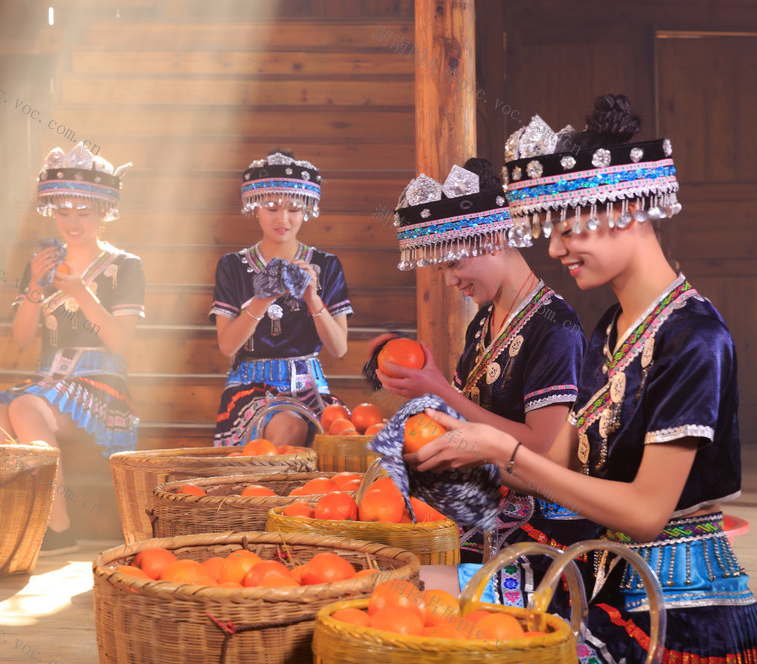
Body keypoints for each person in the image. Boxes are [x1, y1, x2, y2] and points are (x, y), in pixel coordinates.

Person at [408, 95, 757, 660]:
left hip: (671, 604)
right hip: (597, 572)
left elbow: (646, 514)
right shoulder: (610, 329)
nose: (554, 248)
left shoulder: (694, 338)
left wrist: (507, 453)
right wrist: (463, 452)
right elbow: (561, 465)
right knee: (417, 591)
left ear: (627, 209)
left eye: (569, 229)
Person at [378, 157, 595, 606]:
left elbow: (539, 447)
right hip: (483, 502)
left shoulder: (555, 326)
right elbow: (458, 418)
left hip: (540, 521)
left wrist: (438, 389)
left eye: (454, 261)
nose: (450, 277)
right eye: (442, 267)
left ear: (495, 236)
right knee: (381, 557)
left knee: (407, 589)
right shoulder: (483, 323)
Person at [0, 144, 144, 556]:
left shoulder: (125, 265)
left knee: (25, 409)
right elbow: (22, 338)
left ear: (103, 213)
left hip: (102, 382)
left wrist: (81, 292)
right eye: (64, 212)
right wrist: (33, 286)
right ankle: (19, 524)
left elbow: (120, 341)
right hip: (49, 381)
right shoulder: (42, 263)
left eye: (84, 212)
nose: (73, 222)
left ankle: (59, 527)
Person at [210, 149, 352, 447]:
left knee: (345, 438)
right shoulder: (233, 266)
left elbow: (339, 348)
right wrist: (261, 299)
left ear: (307, 211)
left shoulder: (325, 265)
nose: (283, 219)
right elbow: (227, 346)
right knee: (288, 428)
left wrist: (313, 298)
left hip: (312, 387)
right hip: (251, 386)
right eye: (272, 207)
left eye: (294, 209)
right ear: (255, 208)